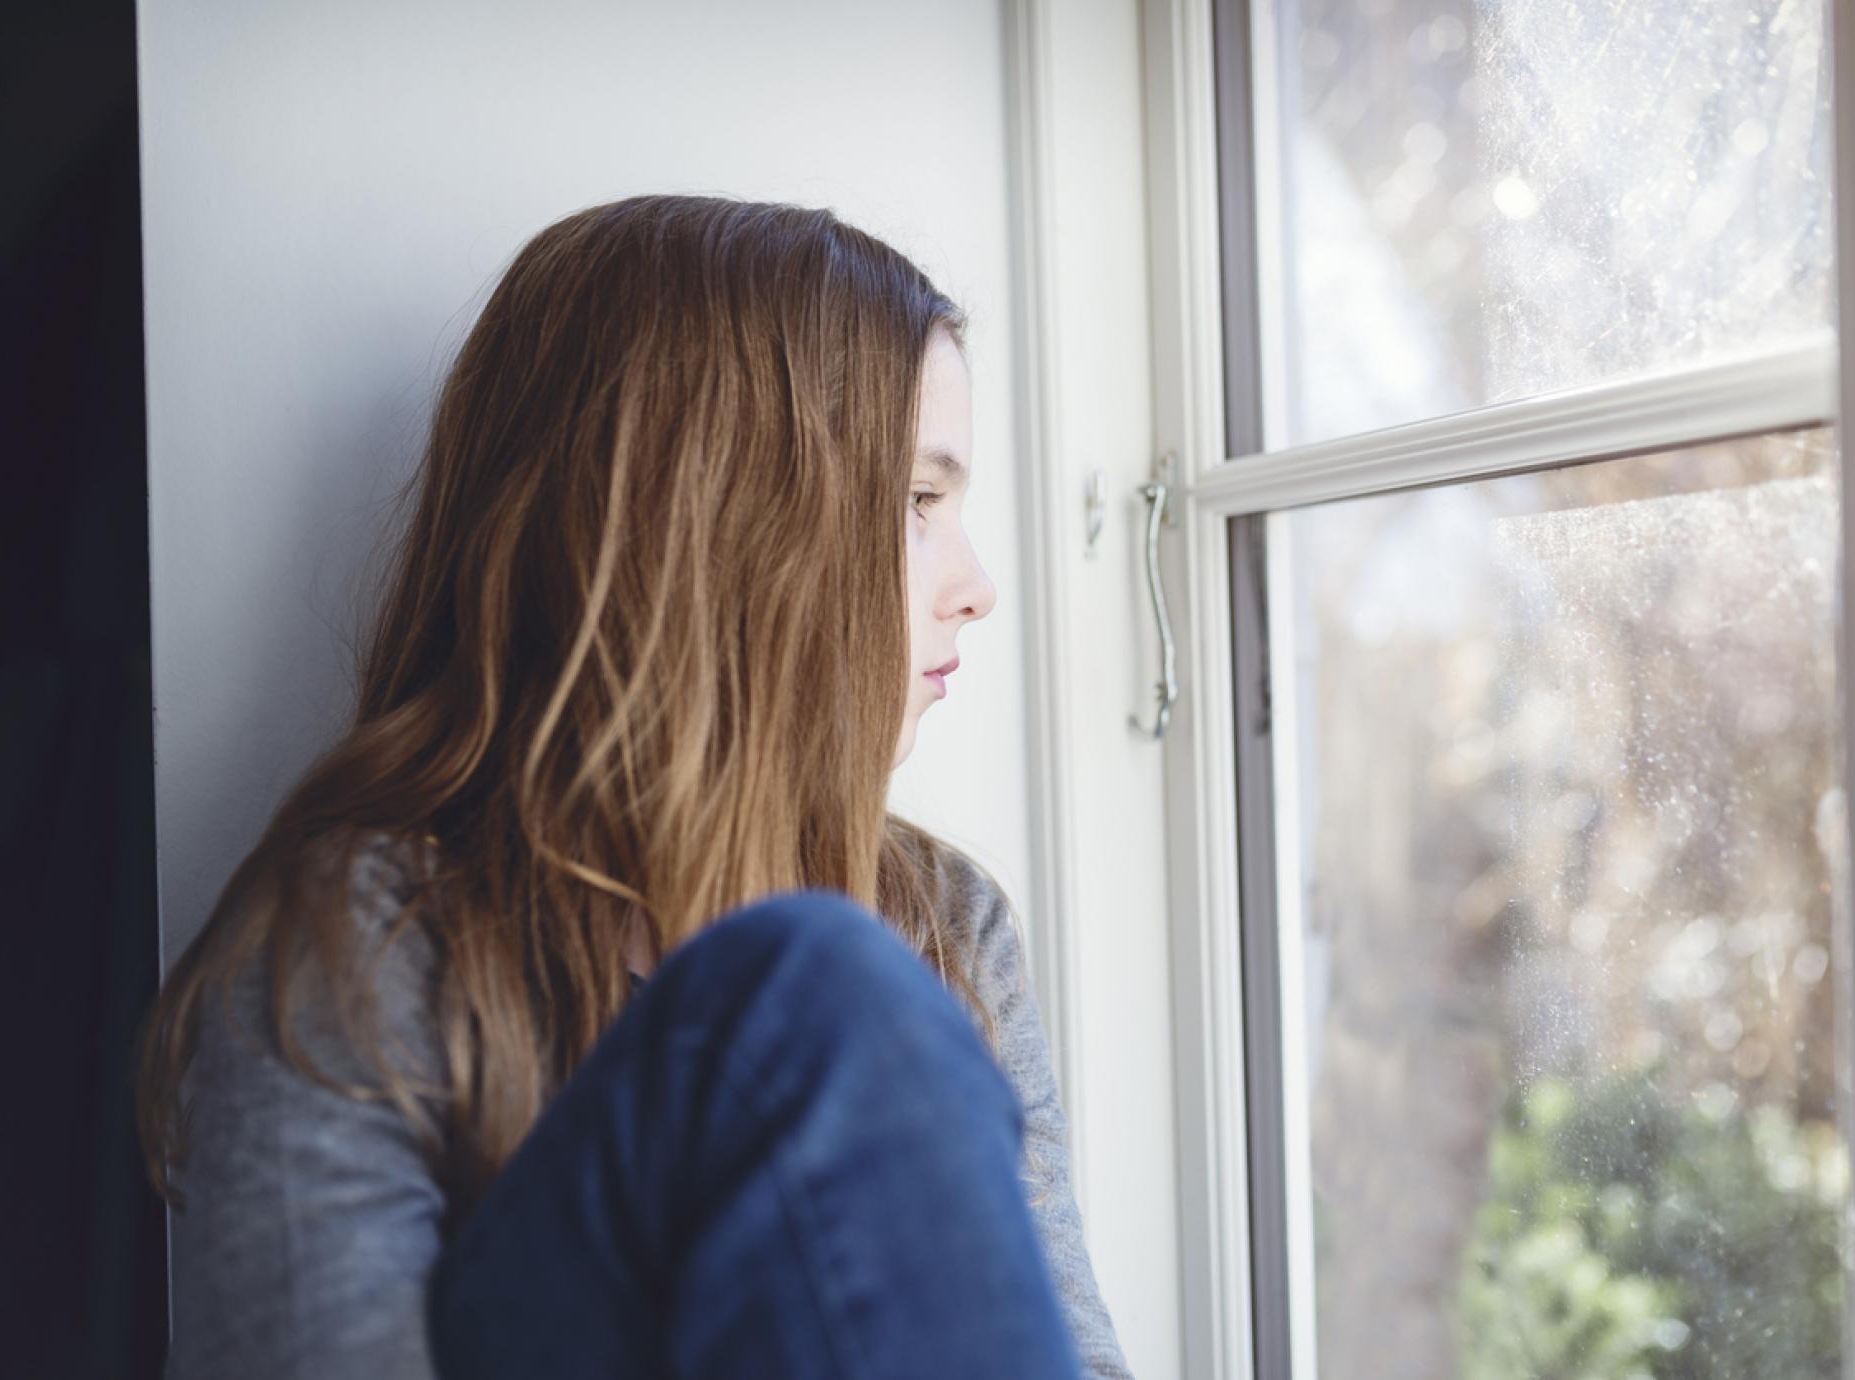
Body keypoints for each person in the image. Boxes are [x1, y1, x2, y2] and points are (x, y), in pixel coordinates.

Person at [132, 194, 1133, 1379]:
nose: (974, 585)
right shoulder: (367, 941)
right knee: (813, 982)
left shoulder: (944, 921)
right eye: (917, 503)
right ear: (711, 522)